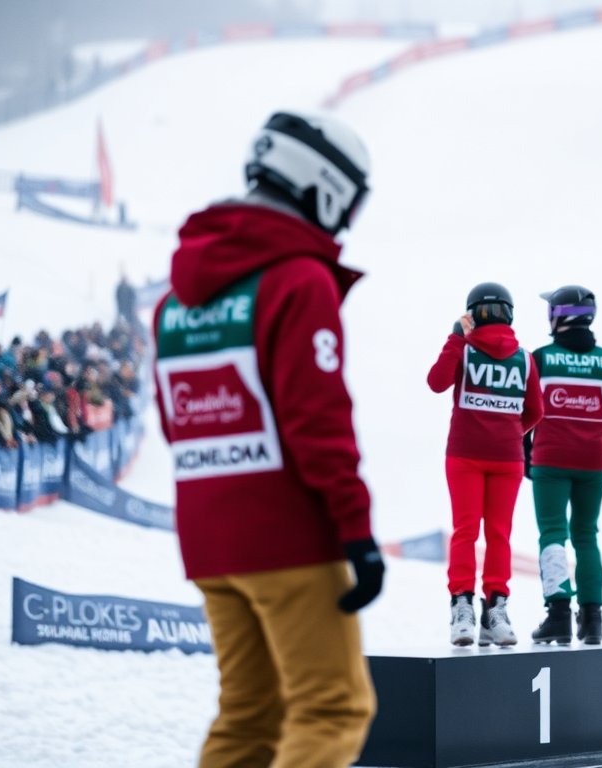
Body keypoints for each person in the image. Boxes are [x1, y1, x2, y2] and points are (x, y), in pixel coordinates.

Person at [152, 111, 383, 768]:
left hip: (209, 540)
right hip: (288, 538)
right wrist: (356, 531)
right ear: (325, 188)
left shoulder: (175, 301)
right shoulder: (298, 280)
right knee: (333, 708)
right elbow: (319, 422)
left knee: (249, 717)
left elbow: (177, 422)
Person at [428, 282, 543, 647]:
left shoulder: (463, 349)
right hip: (505, 459)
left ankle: (462, 608)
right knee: (498, 534)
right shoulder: (525, 358)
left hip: (465, 455)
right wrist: (508, 432)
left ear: (471, 315)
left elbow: (436, 382)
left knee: (465, 531)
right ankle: (496, 610)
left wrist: (454, 337)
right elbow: (536, 412)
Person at [527, 285, 602, 646]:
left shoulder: (541, 358)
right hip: (592, 462)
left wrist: (525, 453)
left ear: (558, 316)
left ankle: (558, 614)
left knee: (553, 533)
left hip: (550, 459)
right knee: (586, 535)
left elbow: (524, 411)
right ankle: (592, 618)